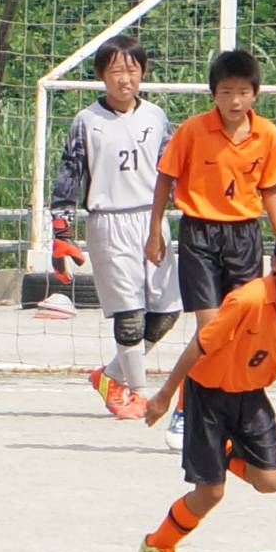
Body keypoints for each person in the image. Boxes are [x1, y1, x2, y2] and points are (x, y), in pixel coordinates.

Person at [138, 223, 276, 552]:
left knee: (270, 481)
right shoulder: (247, 300)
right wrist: (165, 396)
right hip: (208, 395)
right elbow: (199, 345)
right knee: (211, 493)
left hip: (251, 397)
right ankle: (158, 545)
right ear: (274, 264)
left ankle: (223, 452)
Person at [145, 49, 276, 448]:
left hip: (244, 237)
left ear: (255, 94)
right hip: (200, 235)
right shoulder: (192, 131)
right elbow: (165, 179)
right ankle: (184, 408)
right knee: (211, 330)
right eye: (226, 91)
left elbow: (271, 189)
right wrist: (155, 231)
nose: (235, 100)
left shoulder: (268, 135)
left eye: (243, 92)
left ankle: (229, 415)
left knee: (241, 332)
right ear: (213, 94)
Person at [49, 35, 181, 419]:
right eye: (116, 71)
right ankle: (137, 393)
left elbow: (171, 171)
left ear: (143, 72)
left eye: (132, 70)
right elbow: (69, 174)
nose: (125, 79)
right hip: (109, 220)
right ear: (101, 75)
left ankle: (109, 376)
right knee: (129, 312)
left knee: (168, 311)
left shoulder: (156, 117)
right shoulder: (87, 121)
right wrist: (61, 231)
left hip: (152, 219)